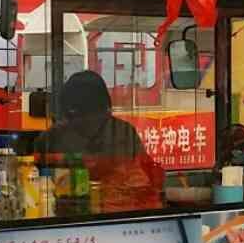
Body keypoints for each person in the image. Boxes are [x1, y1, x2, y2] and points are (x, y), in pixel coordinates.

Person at [35, 71, 162, 210]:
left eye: (96, 115)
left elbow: (145, 178)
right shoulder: (53, 138)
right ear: (70, 114)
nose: (89, 122)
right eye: (80, 116)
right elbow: (35, 183)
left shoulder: (123, 133)